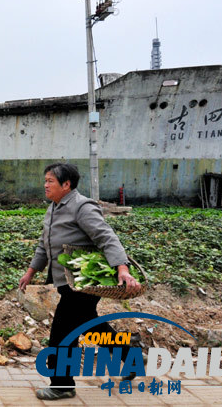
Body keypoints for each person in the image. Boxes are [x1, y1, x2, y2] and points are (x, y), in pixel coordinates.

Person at [19, 162, 140, 401]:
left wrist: (122, 269)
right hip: (67, 282)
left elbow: (107, 238)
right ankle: (131, 358)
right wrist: (31, 272)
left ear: (67, 184)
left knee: (62, 333)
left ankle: (62, 384)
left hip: (84, 282)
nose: (45, 185)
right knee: (91, 326)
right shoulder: (53, 208)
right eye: (45, 180)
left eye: (50, 181)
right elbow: (44, 244)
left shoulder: (82, 207)